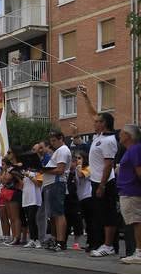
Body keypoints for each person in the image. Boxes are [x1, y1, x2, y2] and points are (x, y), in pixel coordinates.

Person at [79, 88, 120, 257]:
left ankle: (109, 245)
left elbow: (109, 164)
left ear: (104, 124)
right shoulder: (98, 136)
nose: (94, 123)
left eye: (98, 121)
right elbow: (93, 114)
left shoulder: (109, 140)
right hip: (96, 181)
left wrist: (102, 185)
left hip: (106, 182)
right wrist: (86, 98)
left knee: (108, 214)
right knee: (100, 215)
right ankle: (102, 243)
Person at [42, 131, 72, 252]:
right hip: (51, 184)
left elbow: (60, 170)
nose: (52, 143)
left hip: (57, 182)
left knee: (59, 213)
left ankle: (61, 241)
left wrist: (44, 170)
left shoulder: (63, 150)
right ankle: (56, 239)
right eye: (51, 141)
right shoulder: (58, 151)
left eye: (54, 140)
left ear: (61, 138)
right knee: (54, 214)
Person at [117, 124, 141, 263]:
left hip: (132, 191)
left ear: (128, 136)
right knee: (134, 221)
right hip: (127, 190)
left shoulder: (135, 150)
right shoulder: (130, 150)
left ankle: (139, 252)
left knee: (137, 221)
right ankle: (137, 251)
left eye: (122, 133)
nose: (120, 135)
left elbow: (139, 171)